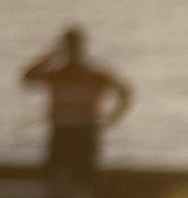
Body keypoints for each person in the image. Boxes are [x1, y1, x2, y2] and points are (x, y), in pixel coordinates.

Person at [22, 26, 132, 181]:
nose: (72, 50)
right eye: (69, 46)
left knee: (86, 178)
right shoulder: (56, 74)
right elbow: (27, 77)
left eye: (73, 46)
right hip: (61, 133)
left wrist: (112, 118)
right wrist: (50, 56)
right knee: (54, 177)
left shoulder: (95, 74)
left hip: (84, 132)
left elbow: (125, 92)